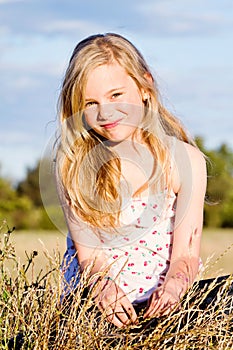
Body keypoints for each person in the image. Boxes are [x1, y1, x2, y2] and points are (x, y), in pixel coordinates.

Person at [55, 33, 207, 329]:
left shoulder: (185, 161)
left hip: (161, 309)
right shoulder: (73, 166)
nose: (105, 112)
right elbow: (91, 258)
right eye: (90, 103)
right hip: (95, 308)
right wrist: (105, 288)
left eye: (116, 95)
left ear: (144, 86)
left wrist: (174, 286)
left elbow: (186, 255)